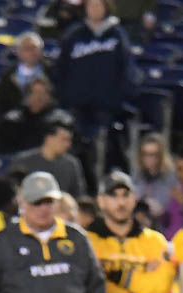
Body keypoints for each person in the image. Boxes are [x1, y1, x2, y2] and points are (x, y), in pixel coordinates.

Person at [53, 0, 138, 168]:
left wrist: (119, 98)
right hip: (77, 105)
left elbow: (127, 69)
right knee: (76, 148)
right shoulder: (74, 35)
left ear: (106, 7)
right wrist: (65, 96)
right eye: (91, 5)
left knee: (105, 150)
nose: (94, 9)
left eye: (98, 5)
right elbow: (61, 69)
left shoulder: (117, 34)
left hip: (107, 107)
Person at [13, 114, 87, 201]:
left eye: (69, 140)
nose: (68, 144)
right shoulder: (24, 161)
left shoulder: (71, 164)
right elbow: (15, 191)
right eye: (64, 139)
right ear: (49, 138)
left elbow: (78, 195)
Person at [0, 76, 61, 155]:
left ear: (49, 97)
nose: (39, 97)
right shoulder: (11, 121)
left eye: (43, 93)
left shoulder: (60, 122)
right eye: (35, 93)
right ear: (27, 96)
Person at [131, 132, 179, 234]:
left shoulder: (172, 179)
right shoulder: (137, 177)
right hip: (139, 228)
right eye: (145, 154)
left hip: (164, 228)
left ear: (161, 156)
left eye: (153, 155)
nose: (149, 159)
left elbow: (178, 209)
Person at [0, 31, 48, 118]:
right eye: (27, 49)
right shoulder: (8, 76)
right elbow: (1, 105)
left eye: (34, 48)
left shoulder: (52, 72)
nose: (32, 52)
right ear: (18, 52)